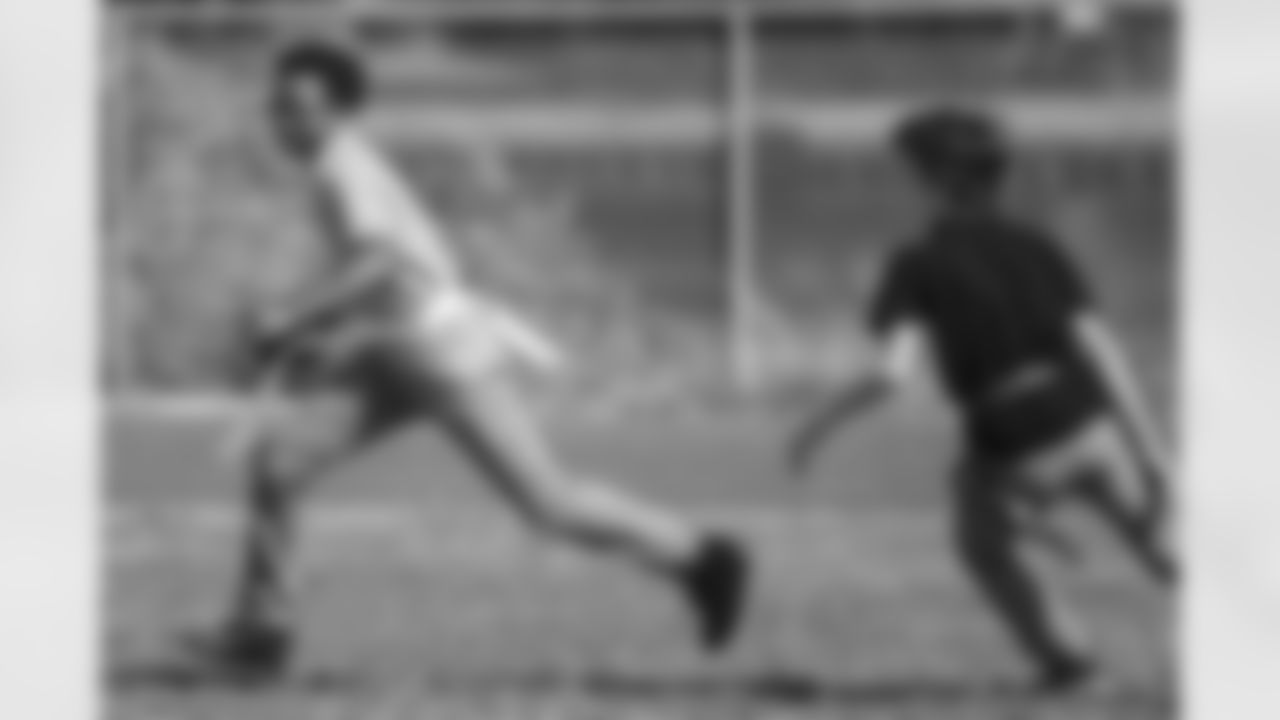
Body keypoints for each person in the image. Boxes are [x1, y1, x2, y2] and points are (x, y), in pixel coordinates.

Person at [186, 39, 751, 679]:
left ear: (337, 112)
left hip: (442, 352)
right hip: (392, 349)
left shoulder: (343, 167)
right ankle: (262, 632)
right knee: (280, 464)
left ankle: (703, 559)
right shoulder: (332, 165)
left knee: (550, 504)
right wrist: (324, 332)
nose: (280, 119)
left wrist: (295, 316)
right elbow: (387, 273)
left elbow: (381, 260)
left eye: (295, 107)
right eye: (276, 105)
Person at [786, 106, 1176, 691]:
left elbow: (891, 374)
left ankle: (1070, 662)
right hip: (1086, 420)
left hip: (1011, 444)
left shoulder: (917, 263)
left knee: (983, 545)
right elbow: (1100, 349)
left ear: (937, 180)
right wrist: (1153, 453)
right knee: (1164, 545)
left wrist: (815, 427)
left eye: (910, 173)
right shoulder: (1037, 246)